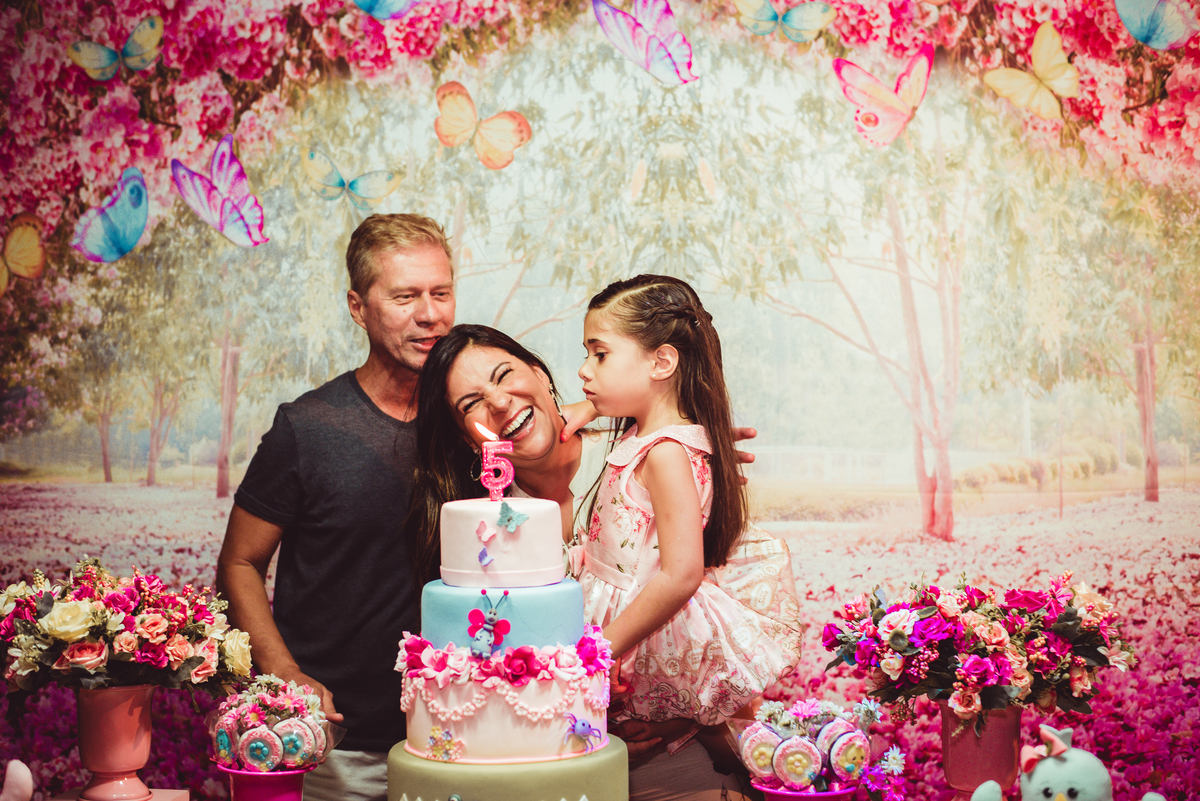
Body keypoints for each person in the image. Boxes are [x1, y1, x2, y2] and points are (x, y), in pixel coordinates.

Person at [408, 321, 800, 799]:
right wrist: (579, 727)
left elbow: (711, 617)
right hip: (550, 769)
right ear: (469, 440)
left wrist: (679, 717)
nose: (499, 402)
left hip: (680, 750)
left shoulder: (642, 455)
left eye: (504, 374)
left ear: (540, 373)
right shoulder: (482, 530)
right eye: (470, 403)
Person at [215, 213, 456, 801]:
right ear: (357, 307)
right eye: (405, 296)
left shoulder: (472, 423)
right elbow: (240, 564)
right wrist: (286, 673)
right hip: (336, 748)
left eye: (441, 292)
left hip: (458, 739)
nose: (429, 314)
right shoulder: (306, 428)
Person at [574, 275, 805, 781]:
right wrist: (587, 405)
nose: (584, 370)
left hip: (637, 622)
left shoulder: (665, 453)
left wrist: (602, 648)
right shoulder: (651, 437)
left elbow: (681, 573)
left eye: (600, 354)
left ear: (662, 362)